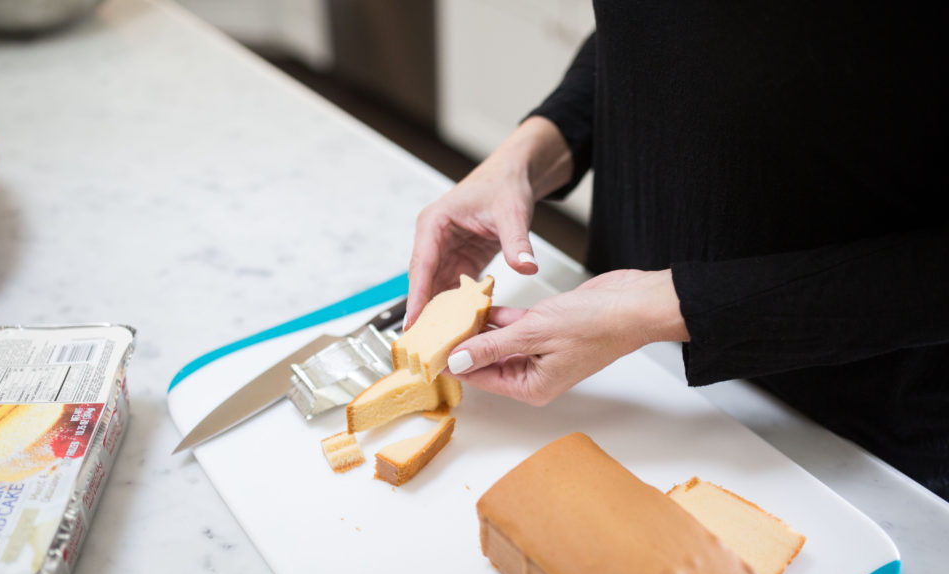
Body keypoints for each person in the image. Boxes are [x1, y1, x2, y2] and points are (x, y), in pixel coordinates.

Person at [405, 2, 949, 499]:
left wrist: (664, 309)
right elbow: (658, 32)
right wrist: (526, 156)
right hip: (616, 356)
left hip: (848, 432)